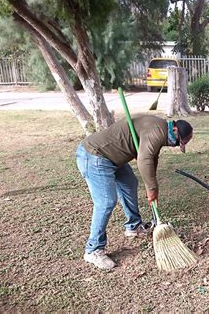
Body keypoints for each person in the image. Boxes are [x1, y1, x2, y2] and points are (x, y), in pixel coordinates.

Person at [76, 115, 193, 270]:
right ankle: (93, 249)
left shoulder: (161, 129)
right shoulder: (157, 131)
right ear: (175, 129)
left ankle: (133, 226)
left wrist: (152, 185)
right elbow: (144, 160)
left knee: (130, 184)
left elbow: (152, 159)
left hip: (115, 158)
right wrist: (151, 188)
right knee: (106, 202)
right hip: (96, 155)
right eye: (178, 142)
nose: (175, 145)